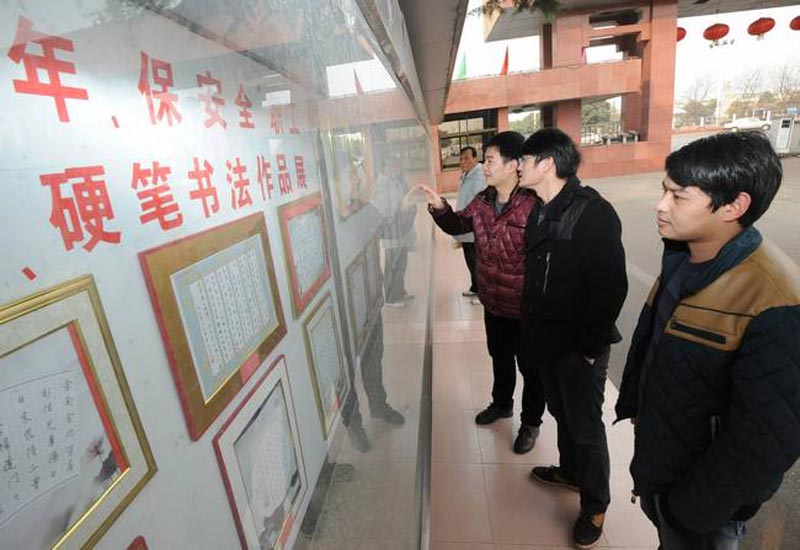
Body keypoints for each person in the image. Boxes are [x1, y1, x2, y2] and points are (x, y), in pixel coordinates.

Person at [614, 131, 800, 550]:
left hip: (703, 509)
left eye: (678, 196)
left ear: (733, 206)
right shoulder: (683, 259)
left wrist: (688, 510)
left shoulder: (775, 300)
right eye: (664, 190)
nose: (661, 205)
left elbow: (766, 440)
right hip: (665, 473)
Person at [518, 128, 627, 549]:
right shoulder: (539, 210)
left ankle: (595, 504)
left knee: (585, 427)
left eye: (524, 161)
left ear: (547, 164)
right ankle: (571, 472)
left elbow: (611, 288)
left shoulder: (593, 212)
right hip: (546, 340)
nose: (519, 167)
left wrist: (590, 347)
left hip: (579, 346)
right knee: (561, 412)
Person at [420, 131, 546, 454]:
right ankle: (502, 404)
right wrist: (440, 208)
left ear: (514, 165)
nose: (485, 167)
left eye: (490, 160)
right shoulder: (484, 200)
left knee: (531, 368)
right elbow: (460, 224)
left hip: (525, 308)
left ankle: (530, 423)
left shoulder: (534, 204)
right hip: (494, 302)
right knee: (500, 358)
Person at [372, 156, 417, 307]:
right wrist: (398, 211)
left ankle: (400, 291)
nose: (396, 169)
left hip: (401, 229)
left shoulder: (396, 181)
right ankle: (391, 297)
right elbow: (381, 209)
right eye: (392, 166)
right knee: (393, 264)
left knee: (401, 262)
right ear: (385, 168)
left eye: (397, 166)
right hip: (391, 231)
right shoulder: (381, 185)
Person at [454, 146, 486, 298]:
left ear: (475, 158)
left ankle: (482, 292)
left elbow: (479, 203)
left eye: (466, 158)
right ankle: (475, 287)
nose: (462, 162)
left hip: (474, 226)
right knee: (470, 259)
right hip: (465, 224)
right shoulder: (466, 175)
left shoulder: (479, 176)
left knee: (477, 260)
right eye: (461, 159)